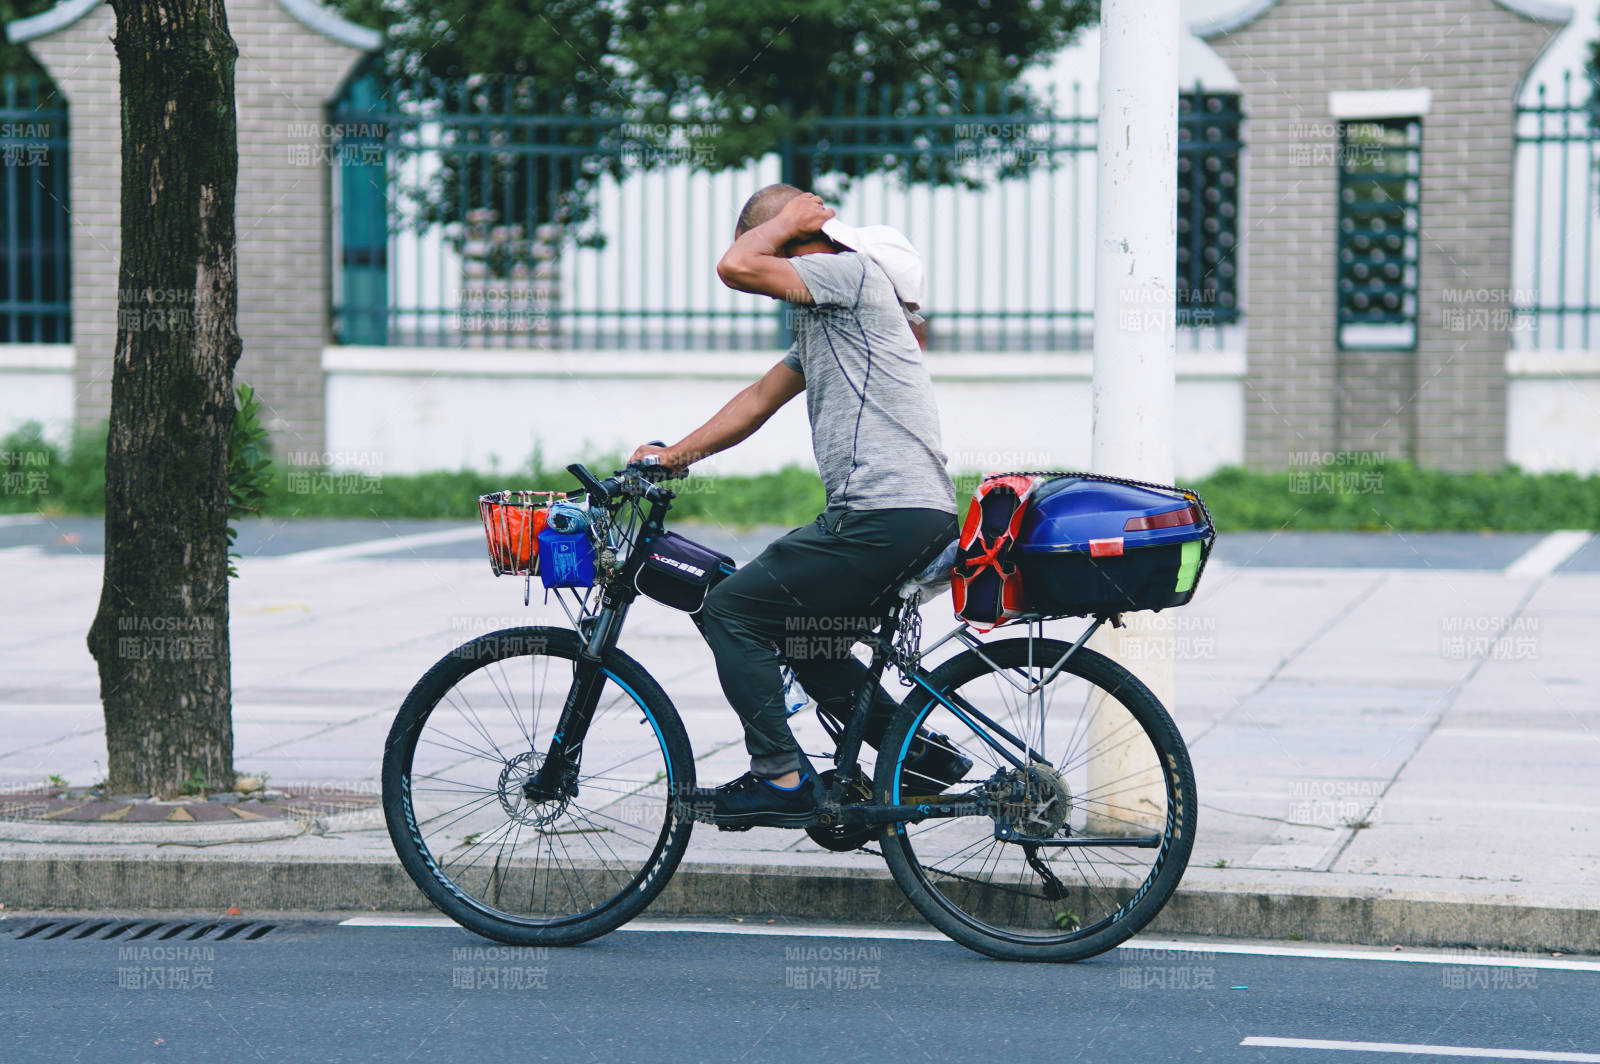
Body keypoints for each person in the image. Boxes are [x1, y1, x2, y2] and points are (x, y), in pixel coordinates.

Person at [629, 183, 963, 829]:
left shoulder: (850, 274)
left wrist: (781, 222)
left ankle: (778, 777)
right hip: (896, 518)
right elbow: (758, 400)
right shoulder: (823, 313)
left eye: (780, 243)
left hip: (885, 516)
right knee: (806, 641)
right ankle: (918, 759)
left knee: (730, 608)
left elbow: (736, 267)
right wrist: (670, 459)